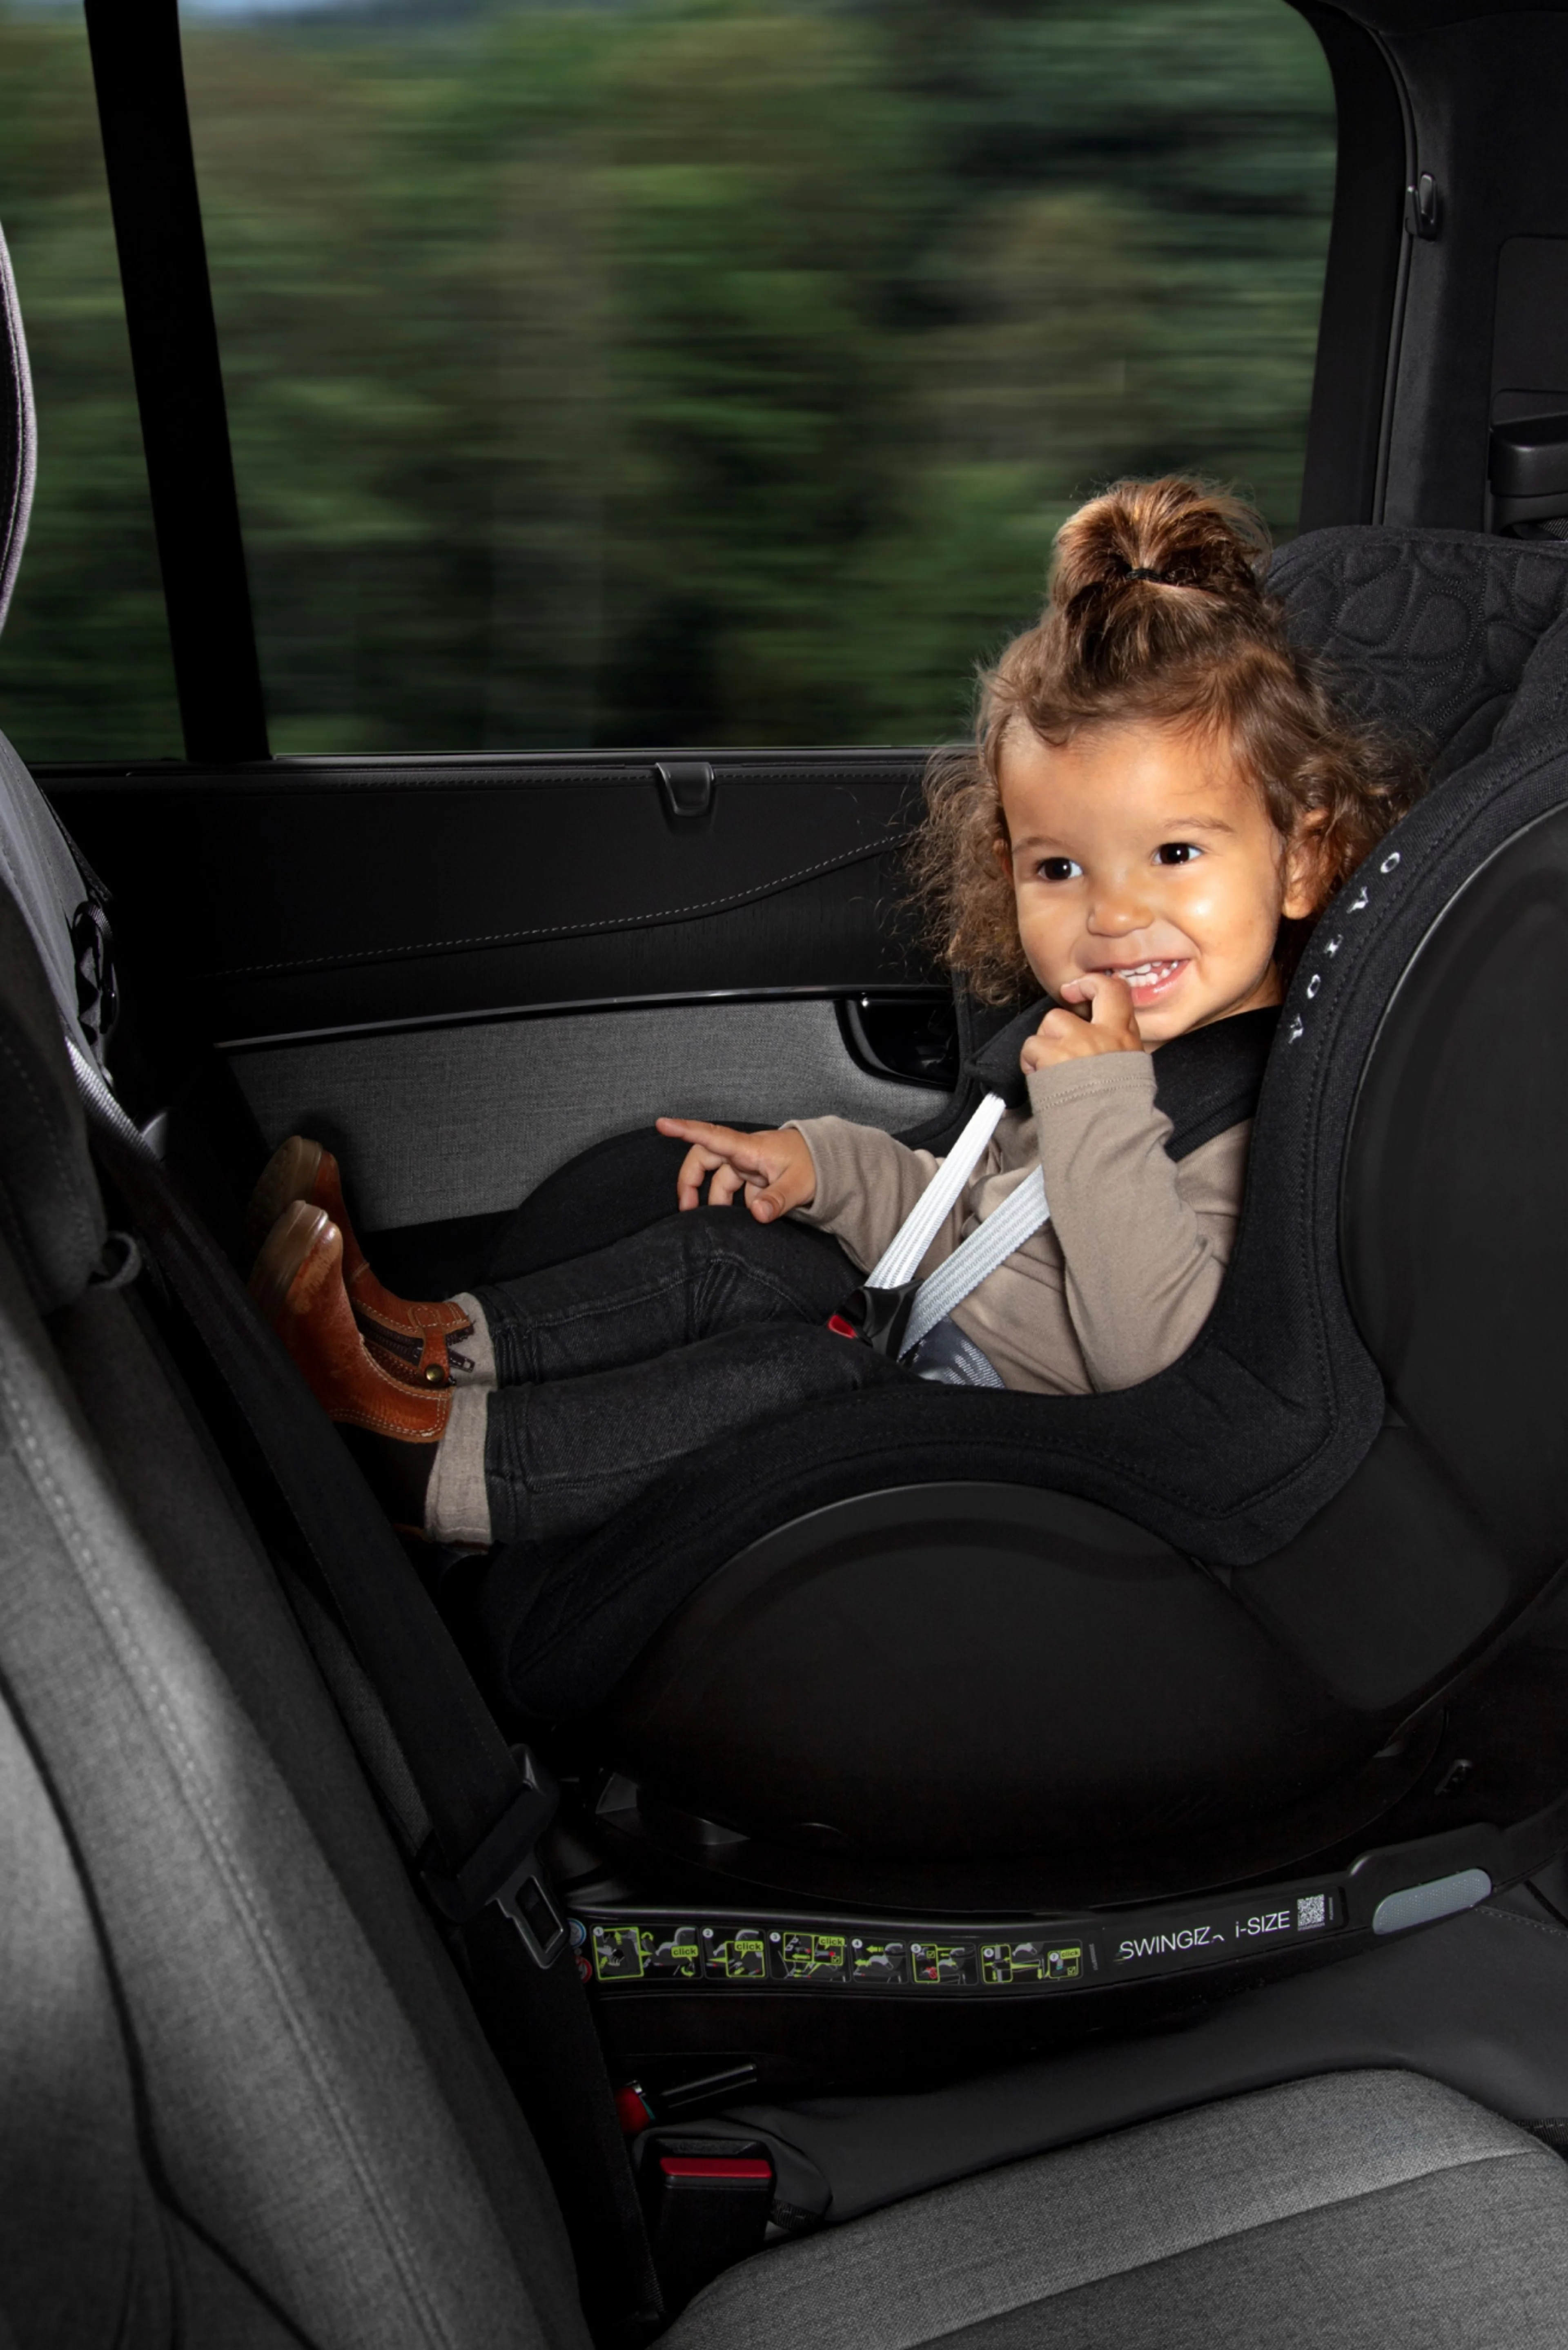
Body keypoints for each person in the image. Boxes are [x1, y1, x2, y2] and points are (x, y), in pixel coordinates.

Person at [248, 476, 1417, 1549]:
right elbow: (982, 1222)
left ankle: (429, 1472)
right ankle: (422, 1342)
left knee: (788, 1377)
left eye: (1175, 853)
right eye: (1059, 869)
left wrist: (1099, 1103)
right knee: (720, 1260)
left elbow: (1149, 1349)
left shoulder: (1267, 1111)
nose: (1113, 915)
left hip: (1035, 1444)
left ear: (1303, 860)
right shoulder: (1105, 1047)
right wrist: (825, 1167)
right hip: (953, 1331)